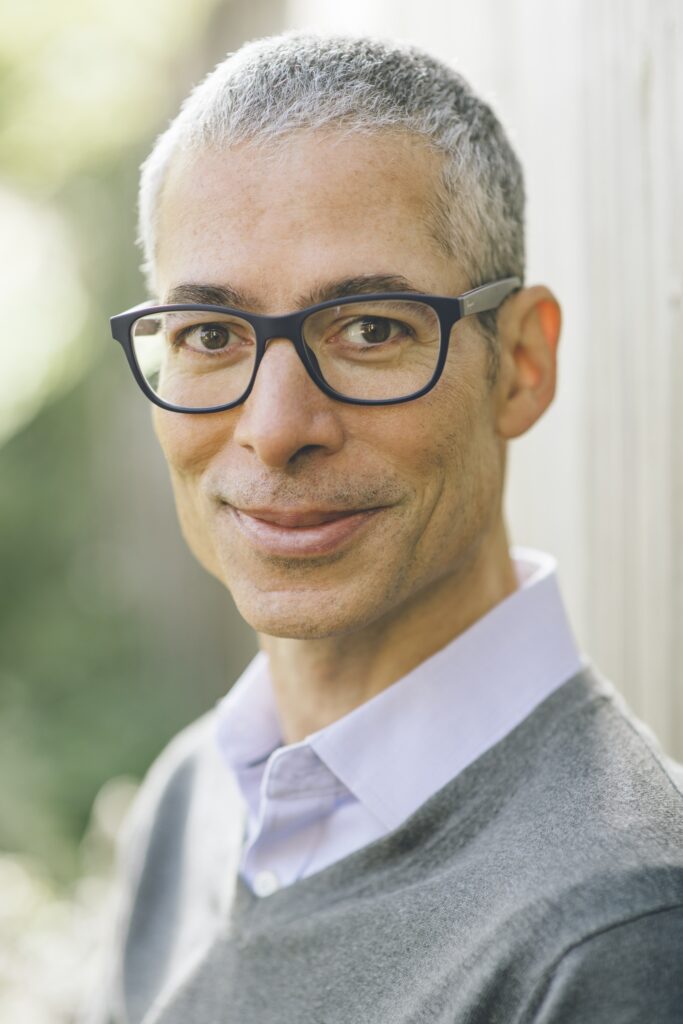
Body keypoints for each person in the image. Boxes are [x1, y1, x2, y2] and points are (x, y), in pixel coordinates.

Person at [90, 31, 683, 1024]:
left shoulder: (621, 930)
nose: (274, 429)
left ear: (520, 363)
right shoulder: (192, 796)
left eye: (369, 327)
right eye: (209, 335)